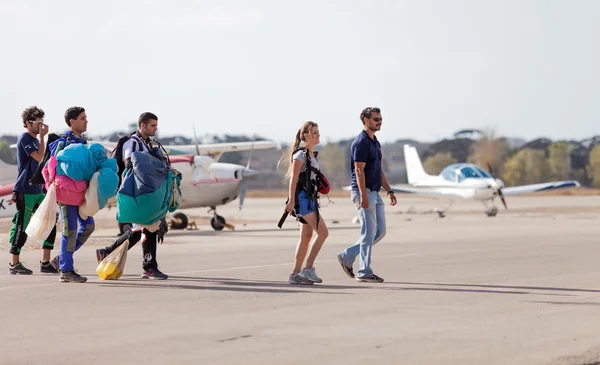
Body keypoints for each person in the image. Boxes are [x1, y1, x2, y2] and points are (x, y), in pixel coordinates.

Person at [95, 112, 169, 280]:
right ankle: (149, 266)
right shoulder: (132, 143)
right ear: (142, 125)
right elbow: (130, 164)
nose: (156, 129)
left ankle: (108, 252)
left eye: (156, 125)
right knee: (149, 226)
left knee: (143, 228)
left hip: (146, 192)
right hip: (136, 192)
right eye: (153, 125)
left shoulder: (147, 143)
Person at [336, 107, 397, 283]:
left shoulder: (375, 142)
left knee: (379, 231)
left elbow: (379, 170)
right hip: (364, 192)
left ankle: (347, 255)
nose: (379, 122)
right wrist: (363, 195)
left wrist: (390, 190)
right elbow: (359, 170)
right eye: (376, 119)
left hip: (375, 193)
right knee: (368, 233)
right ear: (366, 120)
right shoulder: (361, 142)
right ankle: (364, 271)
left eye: (381, 119)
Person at [8, 106, 59, 275]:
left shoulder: (37, 141)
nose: (39, 126)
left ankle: (45, 261)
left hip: (38, 190)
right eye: (36, 122)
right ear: (27, 123)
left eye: (41, 122)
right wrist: (44, 138)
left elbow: (45, 159)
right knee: (22, 225)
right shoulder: (25, 138)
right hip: (24, 189)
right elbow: (39, 157)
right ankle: (14, 263)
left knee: (50, 221)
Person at [279, 121, 329, 285]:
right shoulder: (300, 155)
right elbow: (293, 179)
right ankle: (307, 269)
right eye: (315, 133)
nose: (318, 135)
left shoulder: (311, 155)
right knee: (323, 232)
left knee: (306, 237)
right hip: (303, 199)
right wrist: (292, 201)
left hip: (309, 199)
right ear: (306, 135)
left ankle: (295, 275)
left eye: (318, 132)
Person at [48, 106, 94, 283]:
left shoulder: (84, 143)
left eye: (86, 117)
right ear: (72, 122)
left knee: (88, 226)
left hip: (82, 194)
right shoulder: (62, 143)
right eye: (82, 118)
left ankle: (61, 259)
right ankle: (66, 270)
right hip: (66, 195)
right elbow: (53, 167)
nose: (86, 121)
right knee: (70, 230)